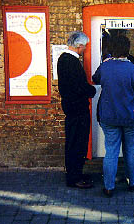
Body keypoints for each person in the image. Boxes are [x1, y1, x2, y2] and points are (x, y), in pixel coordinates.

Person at [92, 35, 134, 198]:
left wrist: (105, 63)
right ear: (127, 50)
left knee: (111, 151)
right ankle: (133, 183)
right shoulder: (133, 70)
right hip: (131, 117)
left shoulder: (105, 67)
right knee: (131, 150)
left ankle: (109, 186)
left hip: (109, 116)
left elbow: (95, 79)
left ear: (111, 49)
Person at [57, 31, 96, 189]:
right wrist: (92, 91)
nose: (85, 49)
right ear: (79, 46)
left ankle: (75, 173)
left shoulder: (63, 59)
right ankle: (74, 178)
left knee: (74, 141)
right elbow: (79, 86)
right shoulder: (71, 62)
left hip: (71, 107)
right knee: (77, 142)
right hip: (77, 108)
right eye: (84, 47)